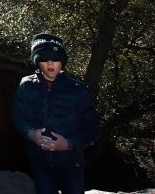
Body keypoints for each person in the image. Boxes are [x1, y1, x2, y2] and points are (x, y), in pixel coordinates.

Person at [11, 32, 101, 194]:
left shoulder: (77, 90)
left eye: (55, 58)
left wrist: (69, 144)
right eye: (44, 59)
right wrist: (30, 133)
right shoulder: (26, 85)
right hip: (39, 161)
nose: (50, 63)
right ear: (37, 61)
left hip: (71, 163)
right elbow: (17, 114)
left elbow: (93, 128)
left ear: (63, 61)